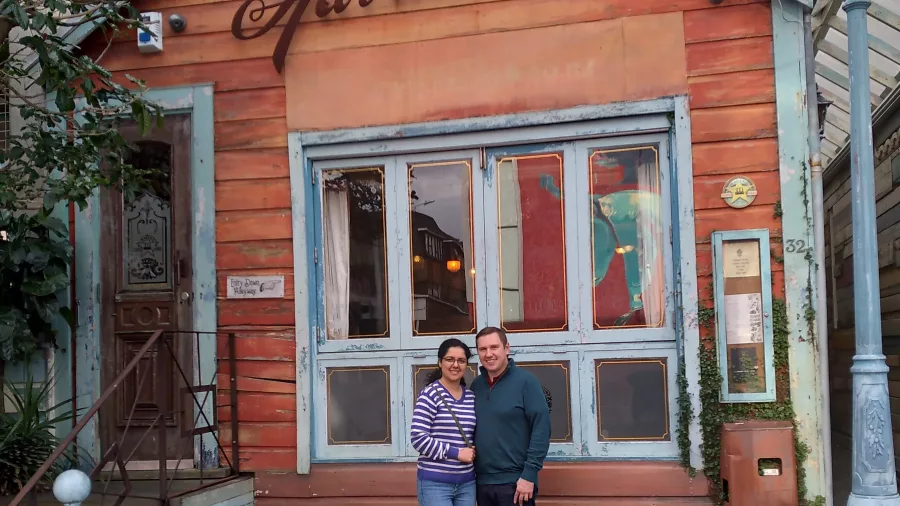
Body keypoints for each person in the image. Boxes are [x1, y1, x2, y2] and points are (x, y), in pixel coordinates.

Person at [471, 326, 550, 506]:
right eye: (483, 349)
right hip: (482, 483)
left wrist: (529, 475)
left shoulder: (526, 382)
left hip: (516, 483)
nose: (488, 354)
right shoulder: (476, 386)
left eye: (494, 347)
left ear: (507, 348)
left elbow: (541, 428)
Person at [410, 338, 477, 506]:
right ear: (440, 362)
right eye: (450, 359)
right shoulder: (429, 395)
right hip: (435, 484)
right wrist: (456, 453)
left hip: (467, 483)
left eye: (461, 361)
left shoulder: (470, 397)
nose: (455, 365)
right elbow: (418, 437)